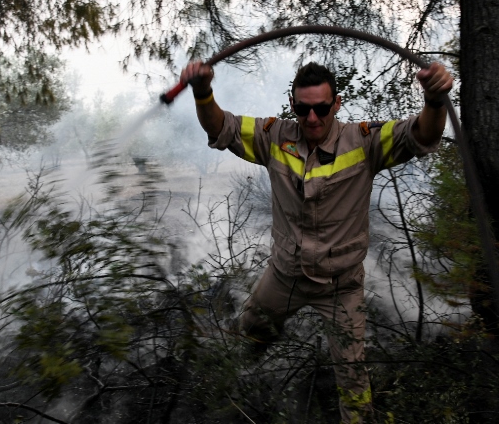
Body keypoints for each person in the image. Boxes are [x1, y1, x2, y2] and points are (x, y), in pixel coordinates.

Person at [179, 59, 453, 423]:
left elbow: (422, 135)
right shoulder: (274, 136)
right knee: (250, 332)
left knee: (353, 378)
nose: (312, 118)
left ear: (336, 104)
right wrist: (202, 92)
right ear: (292, 105)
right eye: (303, 108)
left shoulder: (365, 141)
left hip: (340, 286)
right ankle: (235, 392)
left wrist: (435, 101)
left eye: (321, 109)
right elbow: (222, 127)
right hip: (285, 276)